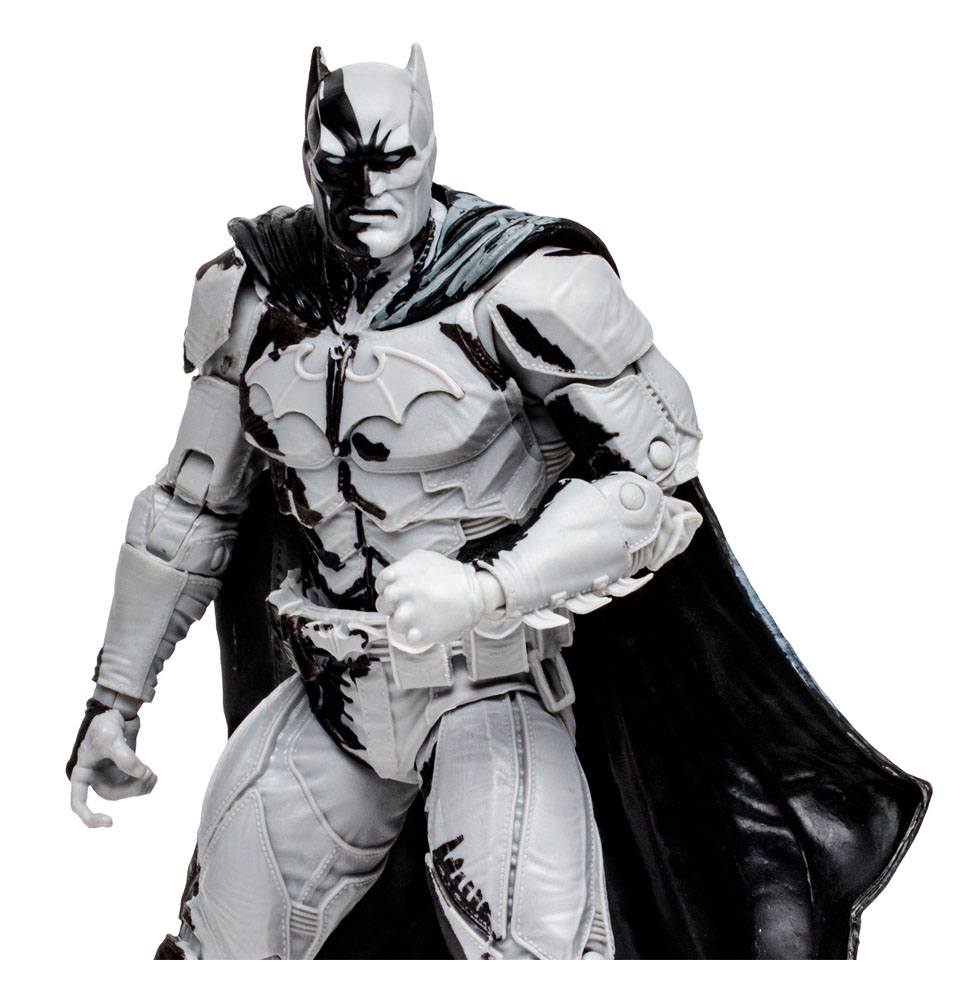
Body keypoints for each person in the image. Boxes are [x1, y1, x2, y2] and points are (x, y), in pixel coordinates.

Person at [67, 45, 929, 960]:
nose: (366, 191)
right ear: (306, 158)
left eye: (392, 161)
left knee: (530, 944)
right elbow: (190, 506)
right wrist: (114, 699)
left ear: (429, 150)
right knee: (219, 941)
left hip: (488, 685)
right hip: (337, 690)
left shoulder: (519, 287)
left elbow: (652, 489)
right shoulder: (255, 296)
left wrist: (489, 587)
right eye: (341, 166)